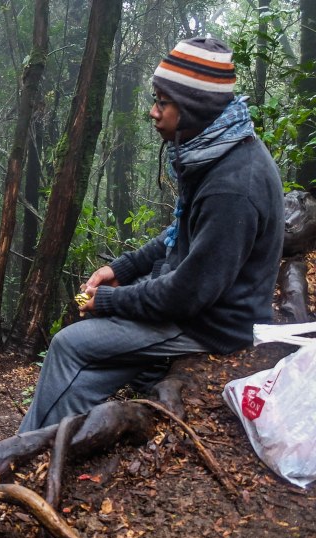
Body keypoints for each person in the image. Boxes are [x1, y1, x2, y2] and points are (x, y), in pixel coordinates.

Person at [19, 37, 284, 433]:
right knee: (84, 360)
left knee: (69, 346)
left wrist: (107, 301)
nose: (152, 112)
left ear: (192, 107)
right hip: (197, 305)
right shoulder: (217, 149)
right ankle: (43, 448)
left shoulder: (233, 186)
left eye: (162, 102)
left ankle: (28, 450)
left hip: (212, 322)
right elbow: (181, 234)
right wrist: (122, 268)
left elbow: (187, 294)